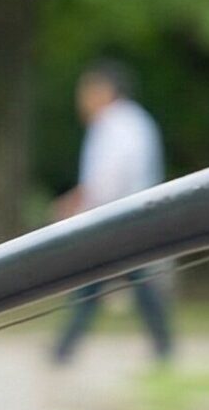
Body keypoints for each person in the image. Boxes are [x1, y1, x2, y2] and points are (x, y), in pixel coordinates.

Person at [51, 59, 173, 365]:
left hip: (119, 215)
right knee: (133, 281)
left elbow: (109, 178)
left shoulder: (115, 124)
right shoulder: (133, 121)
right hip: (130, 214)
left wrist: (77, 204)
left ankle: (65, 348)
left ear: (104, 90)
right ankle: (162, 345)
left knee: (101, 281)